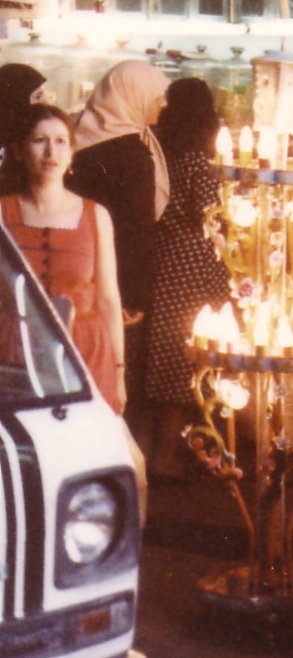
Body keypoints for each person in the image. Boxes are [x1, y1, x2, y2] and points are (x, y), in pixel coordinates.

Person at [0, 105, 125, 411]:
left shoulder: (96, 215)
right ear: (18, 149)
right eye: (39, 140)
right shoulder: (2, 212)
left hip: (84, 350)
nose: (50, 151)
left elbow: (108, 300)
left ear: (71, 152)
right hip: (14, 352)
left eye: (60, 141)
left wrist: (119, 372)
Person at [66, 60, 170, 428]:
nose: (162, 105)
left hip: (76, 272)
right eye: (156, 97)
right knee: (114, 368)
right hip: (115, 285)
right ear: (133, 97)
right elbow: (135, 231)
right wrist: (135, 296)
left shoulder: (79, 139)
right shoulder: (132, 155)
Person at [143, 79, 230, 478]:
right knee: (192, 355)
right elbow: (210, 215)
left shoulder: (161, 150)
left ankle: (162, 452)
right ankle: (170, 456)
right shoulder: (198, 159)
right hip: (196, 261)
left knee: (166, 356)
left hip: (164, 255)